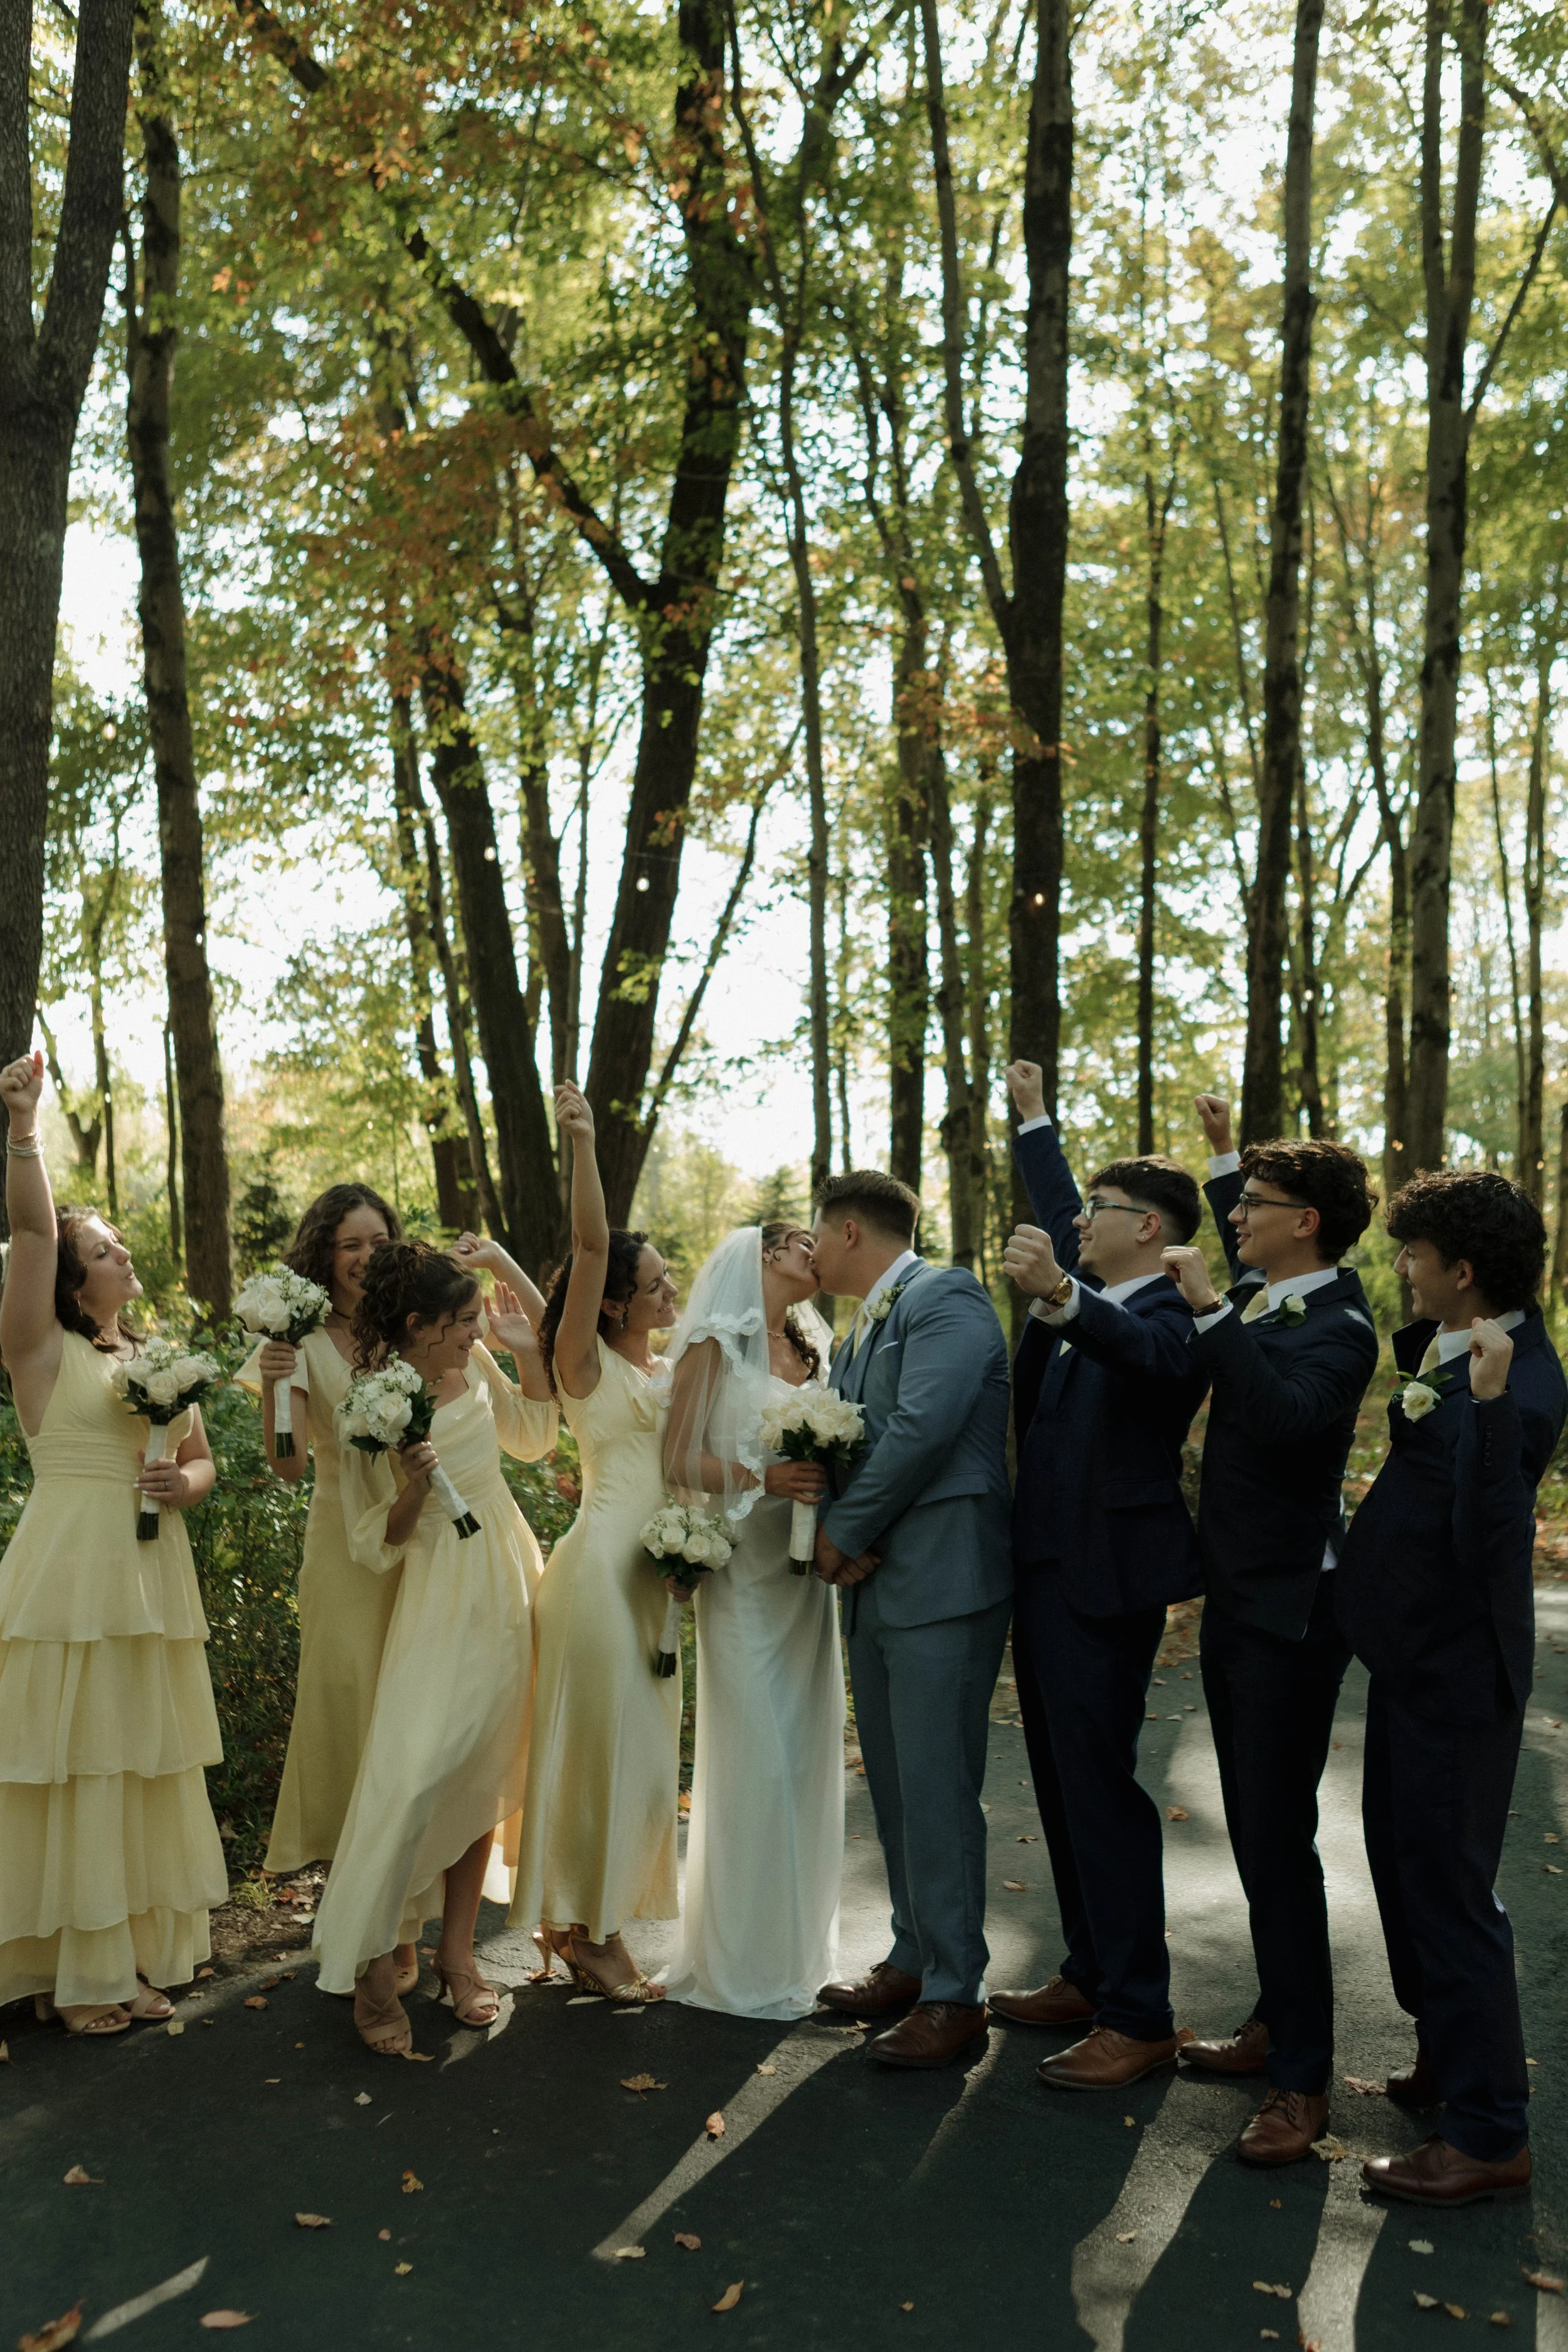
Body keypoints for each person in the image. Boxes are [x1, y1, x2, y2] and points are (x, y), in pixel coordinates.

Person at [1336, 1170, 1567, 2208]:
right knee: (1403, 1864)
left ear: (1463, 1270)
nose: (1402, 1269)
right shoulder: (1454, 1344)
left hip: (1460, 1674)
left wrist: (1485, 1404)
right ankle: (1447, 2052)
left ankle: (1489, 2133)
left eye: (1414, 1256)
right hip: (1412, 1658)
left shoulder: (1524, 1382)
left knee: (1452, 1887)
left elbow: (1490, 1533)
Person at [1161, 1096, 1378, 2166]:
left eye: (1254, 1203)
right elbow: (1242, 1230)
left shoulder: (1343, 1327)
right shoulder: (1267, 1285)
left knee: (1278, 1839)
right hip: (1238, 1600)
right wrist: (1223, 1155)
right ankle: (1274, 2016)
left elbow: (1287, 1419)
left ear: (1307, 1223)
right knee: (1255, 1828)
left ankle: (1303, 2077)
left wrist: (1209, 1310)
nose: (1235, 1216)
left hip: (1292, 1615)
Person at [988, 1060, 1208, 2090]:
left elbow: (1148, 1358)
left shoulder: (1167, 1312)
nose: (1081, 1223)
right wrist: (1036, 1123)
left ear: (1150, 1229)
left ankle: (1139, 2013)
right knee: (1061, 1783)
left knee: (1102, 1791)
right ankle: (1088, 1973)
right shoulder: (1092, 1298)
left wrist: (1061, 1295)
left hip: (1105, 1579)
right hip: (1045, 1569)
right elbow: (1066, 1226)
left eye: (1103, 1209)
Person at [0, 1050, 226, 2036]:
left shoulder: (159, 1357)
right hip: (72, 1579)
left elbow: (204, 1462)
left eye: (120, 1243)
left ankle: (118, 1950)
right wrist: (24, 1128)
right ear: (69, 1279)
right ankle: (78, 1969)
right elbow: (30, 1231)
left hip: (149, 1581)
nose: (124, 1254)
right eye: (102, 1249)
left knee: (135, 1767)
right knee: (80, 1765)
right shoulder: (39, 1349)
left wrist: (185, 1483)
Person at [312, 1241, 556, 2054]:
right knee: (413, 1774)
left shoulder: (475, 1359)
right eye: (462, 1321)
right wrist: (414, 1485)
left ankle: (457, 1956)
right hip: (438, 1591)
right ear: (417, 1325)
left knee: (484, 1763)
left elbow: (534, 1438)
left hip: (505, 1571)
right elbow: (372, 1540)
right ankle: (375, 1957)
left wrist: (524, 1356)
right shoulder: (369, 1401)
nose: (474, 1332)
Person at [810, 1169, 1013, 2069]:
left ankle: (955, 1992)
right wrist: (839, 1535)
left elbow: (923, 1427)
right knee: (894, 1786)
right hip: (874, 1583)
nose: (812, 1253)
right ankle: (911, 1954)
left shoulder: (947, 1298)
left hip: (942, 1575)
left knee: (936, 1785)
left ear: (850, 1231)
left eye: (818, 1234)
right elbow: (843, 1444)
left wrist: (841, 1533)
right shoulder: (854, 1331)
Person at [509, 1082, 681, 2002]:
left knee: (646, 1759)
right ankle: (593, 1934)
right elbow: (585, 1247)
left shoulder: (669, 1364)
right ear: (611, 1305)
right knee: (601, 1754)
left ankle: (588, 1921)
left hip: (657, 1578)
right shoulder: (583, 1364)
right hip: (597, 1577)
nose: (669, 1289)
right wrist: (581, 1141)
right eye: (653, 1283)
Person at [660, 1222, 845, 2018]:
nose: (816, 1252)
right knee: (756, 1758)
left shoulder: (815, 1347)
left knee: (804, 1760)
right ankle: (741, 1960)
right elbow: (676, 1456)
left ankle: (798, 1951)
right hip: (742, 1574)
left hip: (806, 1581)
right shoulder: (713, 1346)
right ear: (764, 1256)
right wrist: (760, 1477)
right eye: (802, 1241)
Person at [236, 1186, 406, 1918]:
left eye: (377, 1242)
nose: (365, 1257)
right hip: (342, 1542)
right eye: (350, 1245)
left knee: (408, 1702)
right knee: (346, 1705)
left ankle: (405, 1885)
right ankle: (348, 1892)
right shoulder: (298, 1340)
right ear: (325, 1256)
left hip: (416, 1531)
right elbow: (287, 1465)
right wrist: (278, 1387)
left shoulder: (409, 1322)